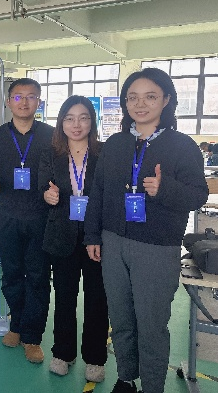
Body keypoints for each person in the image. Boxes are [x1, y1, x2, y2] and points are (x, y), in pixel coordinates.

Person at [84, 67, 209, 393]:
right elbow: (98, 192)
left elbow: (198, 195)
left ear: (166, 100)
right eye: (133, 98)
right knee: (121, 320)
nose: (140, 104)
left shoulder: (182, 146)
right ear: (125, 103)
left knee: (151, 325)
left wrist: (165, 189)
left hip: (157, 248)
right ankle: (126, 378)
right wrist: (93, 235)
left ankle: (152, 386)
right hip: (113, 242)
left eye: (150, 97)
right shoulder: (115, 144)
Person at [0, 78, 54, 363]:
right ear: (8, 102)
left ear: (39, 102)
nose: (24, 102)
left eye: (31, 97)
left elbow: (63, 173)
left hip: (40, 218)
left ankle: (33, 337)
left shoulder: (52, 136)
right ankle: (16, 325)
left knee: (38, 277)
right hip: (5, 217)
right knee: (11, 275)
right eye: (18, 97)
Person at [38, 96, 109, 383]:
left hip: (96, 238)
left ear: (92, 121)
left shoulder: (103, 153)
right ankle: (62, 353)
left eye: (83, 118)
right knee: (64, 298)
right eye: (69, 118)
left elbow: (109, 195)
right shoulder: (50, 154)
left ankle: (95, 358)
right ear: (61, 122)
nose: (76, 124)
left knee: (97, 300)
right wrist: (48, 195)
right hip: (61, 236)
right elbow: (42, 187)